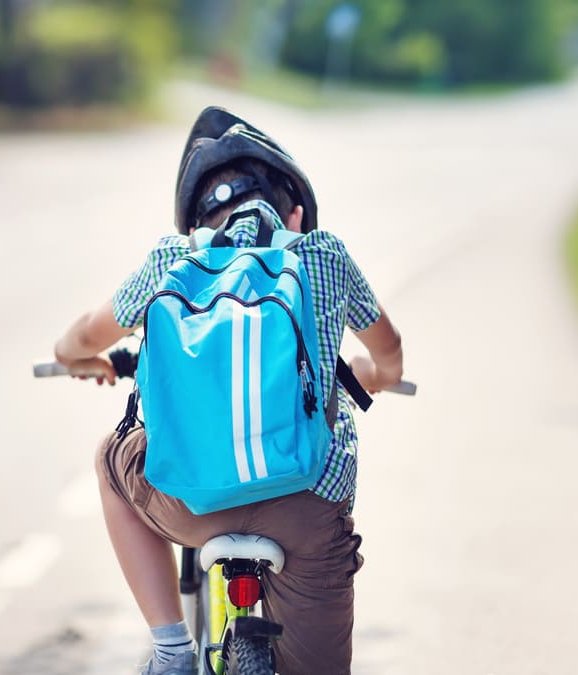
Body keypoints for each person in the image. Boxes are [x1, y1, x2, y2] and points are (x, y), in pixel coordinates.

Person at [51, 106, 404, 675]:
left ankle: (170, 651)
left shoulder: (173, 257)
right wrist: (378, 375)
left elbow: (83, 335)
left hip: (191, 505)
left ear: (197, 220)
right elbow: (388, 348)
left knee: (110, 461)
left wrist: (78, 358)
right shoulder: (324, 255)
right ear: (294, 213)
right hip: (306, 509)